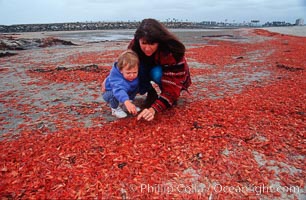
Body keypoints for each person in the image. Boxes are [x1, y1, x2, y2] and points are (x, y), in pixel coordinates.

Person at [128, 18, 191, 121]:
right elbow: (125, 63)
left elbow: (173, 85)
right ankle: (151, 92)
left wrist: (154, 109)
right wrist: (109, 79)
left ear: (159, 41)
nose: (147, 48)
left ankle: (167, 99)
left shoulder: (171, 51)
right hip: (147, 67)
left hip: (168, 74)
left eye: (152, 44)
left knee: (156, 73)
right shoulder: (134, 46)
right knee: (133, 69)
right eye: (143, 43)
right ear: (137, 39)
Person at [102, 49, 140, 118]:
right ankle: (115, 108)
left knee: (136, 86)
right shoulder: (116, 77)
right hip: (110, 91)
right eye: (128, 73)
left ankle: (125, 105)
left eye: (135, 72)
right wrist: (126, 101)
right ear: (121, 70)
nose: (132, 75)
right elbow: (118, 89)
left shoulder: (135, 75)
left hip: (126, 89)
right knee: (114, 94)